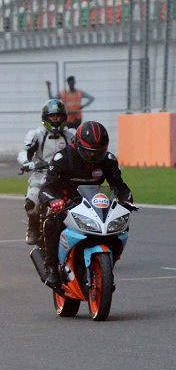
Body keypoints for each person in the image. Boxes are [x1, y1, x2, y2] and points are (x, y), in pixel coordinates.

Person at [38, 121, 133, 288]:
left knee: (121, 226)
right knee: (51, 222)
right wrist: (54, 201)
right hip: (66, 205)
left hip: (95, 205)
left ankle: (107, 267)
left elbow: (120, 186)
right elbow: (46, 188)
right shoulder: (62, 158)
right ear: (78, 144)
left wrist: (126, 201)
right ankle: (51, 267)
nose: (93, 157)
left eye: (98, 153)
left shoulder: (108, 160)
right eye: (89, 153)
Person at [17, 99, 75, 245]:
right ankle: (33, 228)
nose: (56, 119)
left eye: (59, 116)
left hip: (66, 176)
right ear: (45, 117)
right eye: (52, 116)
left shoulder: (71, 135)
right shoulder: (36, 135)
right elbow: (25, 152)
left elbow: (80, 152)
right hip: (41, 174)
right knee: (31, 201)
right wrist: (28, 163)